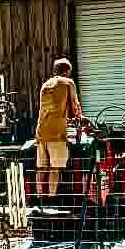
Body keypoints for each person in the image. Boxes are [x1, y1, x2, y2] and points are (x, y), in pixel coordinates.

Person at [35, 57, 84, 201]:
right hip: (57, 133)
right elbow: (75, 106)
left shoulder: (45, 85)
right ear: (67, 71)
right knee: (54, 167)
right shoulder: (68, 82)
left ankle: (39, 197)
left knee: (42, 167)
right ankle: (51, 198)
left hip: (41, 132)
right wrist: (81, 118)